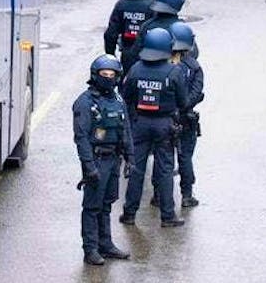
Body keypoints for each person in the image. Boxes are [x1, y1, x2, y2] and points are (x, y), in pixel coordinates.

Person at [120, 28, 187, 228]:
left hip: (140, 124)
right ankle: (167, 216)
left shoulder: (135, 69)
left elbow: (126, 96)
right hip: (164, 125)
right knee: (165, 170)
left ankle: (129, 213)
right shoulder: (173, 72)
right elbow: (182, 101)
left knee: (136, 168)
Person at [73, 55, 133, 265]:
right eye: (104, 74)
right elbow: (81, 138)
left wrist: (130, 158)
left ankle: (105, 244)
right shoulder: (85, 102)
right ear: (95, 76)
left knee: (107, 204)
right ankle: (90, 248)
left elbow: (125, 130)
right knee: (92, 207)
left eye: (112, 75)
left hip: (114, 159)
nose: (108, 78)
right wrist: (89, 167)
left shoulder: (117, 100)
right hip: (97, 160)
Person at [169, 22, 204, 208]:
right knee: (185, 157)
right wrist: (185, 105)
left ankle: (159, 196)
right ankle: (187, 195)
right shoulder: (195, 68)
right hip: (186, 118)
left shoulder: (159, 63)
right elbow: (197, 92)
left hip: (165, 117)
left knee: (164, 159)